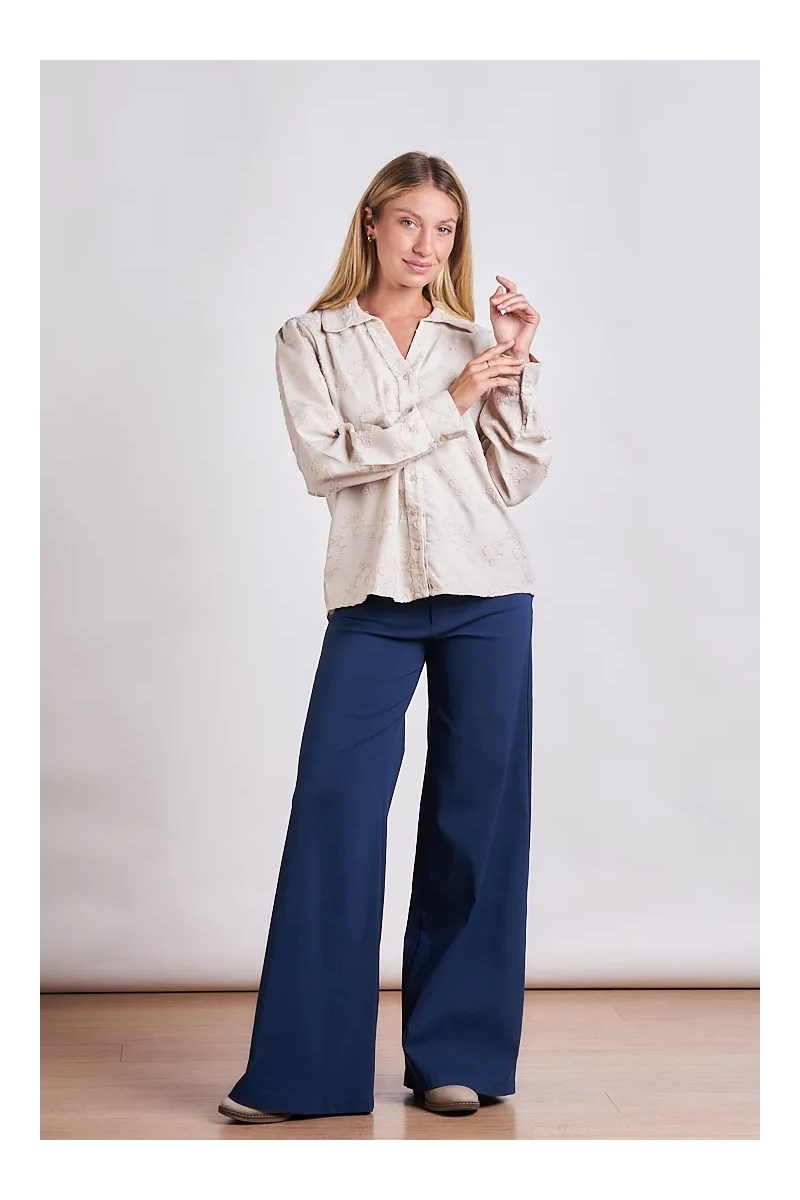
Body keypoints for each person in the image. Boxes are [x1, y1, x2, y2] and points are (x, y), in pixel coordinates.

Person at [218, 150, 553, 1123]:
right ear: (371, 222)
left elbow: (516, 476)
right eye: (410, 222)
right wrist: (448, 402)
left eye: (444, 229)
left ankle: (456, 1055)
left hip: (489, 594)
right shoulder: (311, 337)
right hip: (373, 597)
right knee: (335, 808)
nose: (426, 244)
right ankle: (304, 1075)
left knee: (475, 820)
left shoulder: (469, 339)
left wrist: (513, 368)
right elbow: (327, 463)